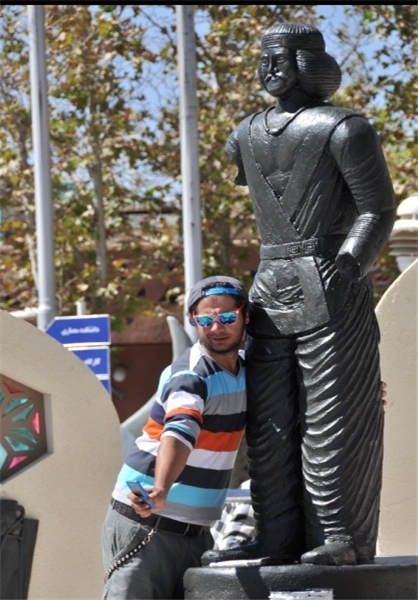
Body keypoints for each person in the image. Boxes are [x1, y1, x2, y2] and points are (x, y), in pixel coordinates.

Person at [201, 22, 396, 568]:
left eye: (280, 58)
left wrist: (350, 263)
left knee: (333, 416)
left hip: (332, 282)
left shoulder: (346, 130)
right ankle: (276, 536)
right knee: (269, 422)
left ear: (308, 64)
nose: (269, 69)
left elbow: (377, 208)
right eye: (264, 59)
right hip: (270, 286)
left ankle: (341, 534)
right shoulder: (245, 134)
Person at [101, 275, 249, 600]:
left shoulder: (248, 370)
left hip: (196, 533)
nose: (216, 327)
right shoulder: (191, 375)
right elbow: (179, 432)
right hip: (148, 523)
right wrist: (162, 487)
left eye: (227, 317)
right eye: (205, 320)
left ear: (245, 316)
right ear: (194, 320)